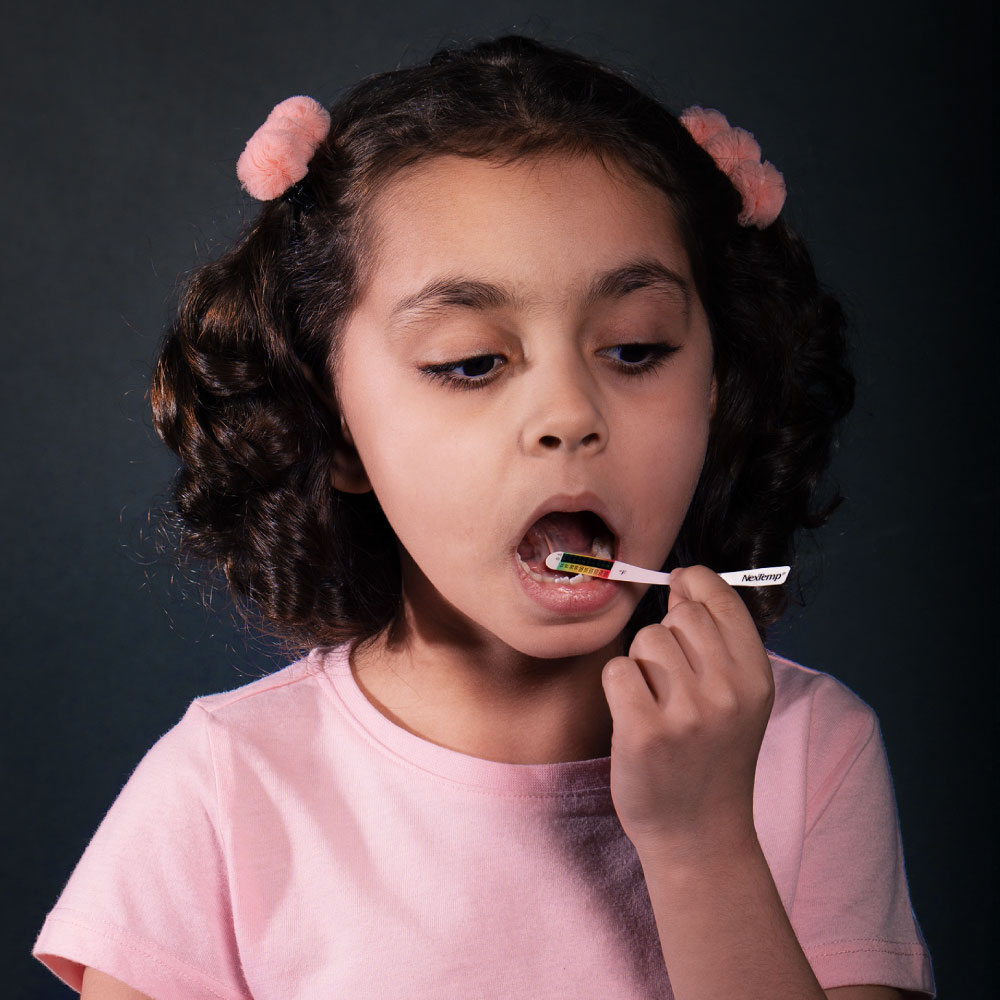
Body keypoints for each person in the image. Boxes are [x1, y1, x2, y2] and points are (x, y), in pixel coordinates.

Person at [33, 35, 934, 1000]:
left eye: (634, 348)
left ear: (720, 382)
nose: (569, 417)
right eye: (470, 362)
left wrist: (702, 842)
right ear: (334, 431)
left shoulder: (809, 752)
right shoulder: (223, 794)